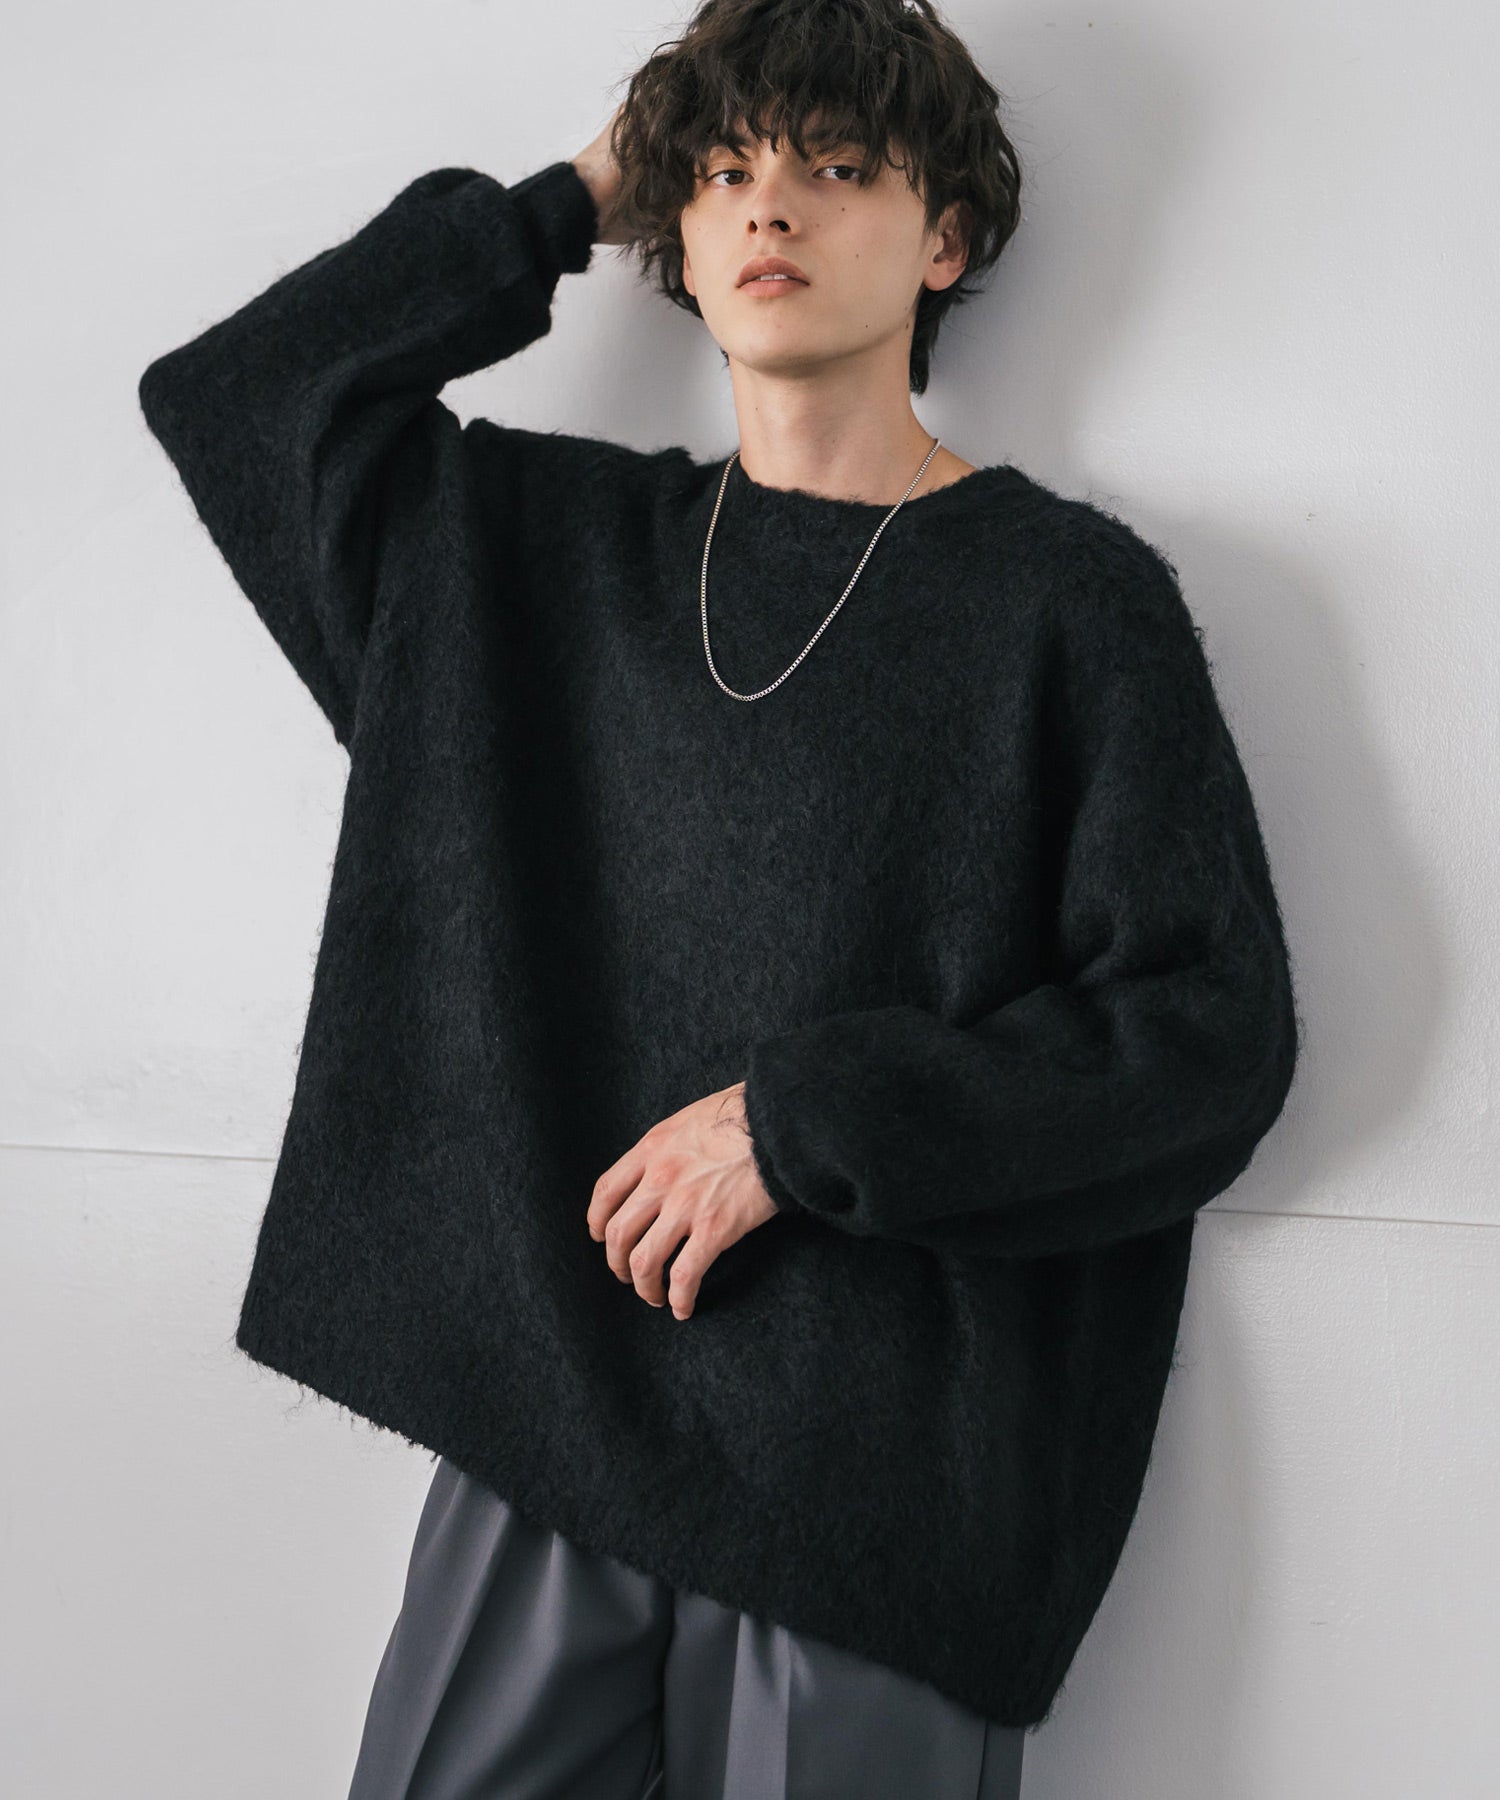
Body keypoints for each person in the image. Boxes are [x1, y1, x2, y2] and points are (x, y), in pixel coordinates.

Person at [136, 1, 1300, 1795]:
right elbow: (237, 398)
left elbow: (1204, 1037)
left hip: (878, 1505)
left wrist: (802, 1122)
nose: (770, 206)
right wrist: (579, 189)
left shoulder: (1065, 605)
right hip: (552, 1448)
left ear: (944, 237)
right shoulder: (527, 559)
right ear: (674, 232)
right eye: (729, 170)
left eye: (836, 167)